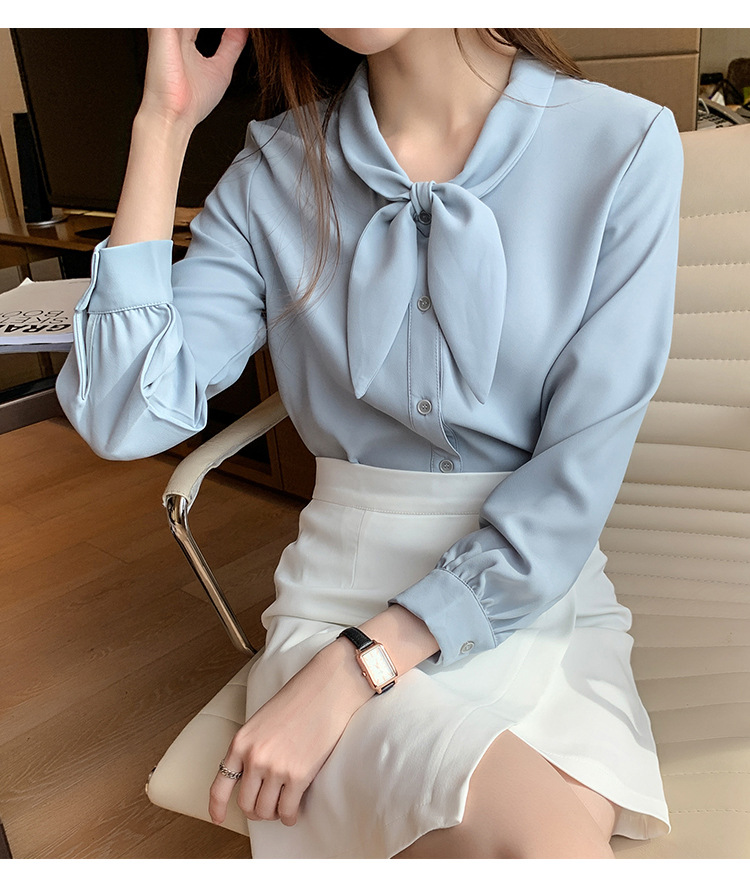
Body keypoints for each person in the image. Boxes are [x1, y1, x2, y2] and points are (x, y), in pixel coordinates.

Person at [55, 28, 684, 859]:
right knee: (547, 845)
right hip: (339, 596)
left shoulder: (625, 144)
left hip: (539, 596)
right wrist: (163, 126)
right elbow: (121, 415)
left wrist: (355, 667)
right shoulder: (273, 170)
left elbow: (574, 483)